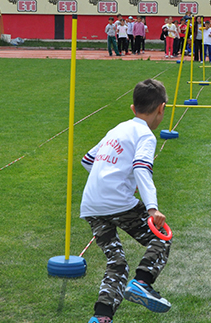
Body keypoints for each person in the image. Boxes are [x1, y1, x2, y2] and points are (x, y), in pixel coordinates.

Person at [82, 79, 172, 323]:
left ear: (133, 108)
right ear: (162, 108)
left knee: (117, 263)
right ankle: (142, 283)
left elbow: (88, 161)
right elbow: (141, 168)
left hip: (91, 205)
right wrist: (152, 208)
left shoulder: (117, 129)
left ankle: (100, 318)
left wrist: (107, 180)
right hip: (118, 203)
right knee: (161, 238)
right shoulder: (146, 135)